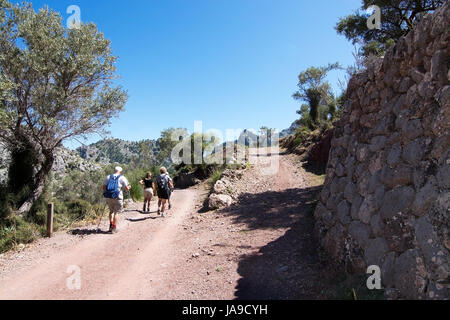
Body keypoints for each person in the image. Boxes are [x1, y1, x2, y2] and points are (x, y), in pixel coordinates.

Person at [103, 166, 131, 233]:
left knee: (111, 211)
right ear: (120, 171)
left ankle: (110, 225)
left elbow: (104, 187)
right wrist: (129, 187)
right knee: (116, 212)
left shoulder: (108, 177)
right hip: (118, 197)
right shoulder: (122, 177)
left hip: (109, 197)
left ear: (114, 170)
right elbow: (126, 188)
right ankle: (114, 228)